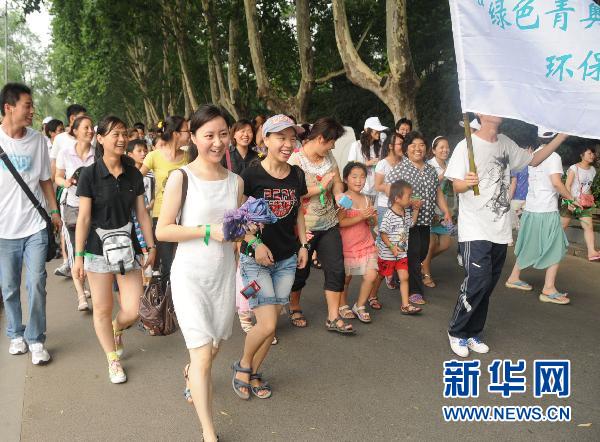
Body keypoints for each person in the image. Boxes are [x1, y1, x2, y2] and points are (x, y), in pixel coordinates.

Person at [445, 113, 568, 357]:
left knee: (487, 285)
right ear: (480, 113)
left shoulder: (506, 143)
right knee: (477, 281)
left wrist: (563, 135)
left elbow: (533, 160)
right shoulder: (465, 145)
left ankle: (473, 332)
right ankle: (457, 331)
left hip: (499, 229)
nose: (498, 111)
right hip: (474, 227)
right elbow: (455, 185)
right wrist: (466, 183)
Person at [156, 105, 242, 442]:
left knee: (214, 346)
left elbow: (232, 229)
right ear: (193, 137)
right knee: (204, 353)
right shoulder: (181, 177)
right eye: (209, 135)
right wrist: (208, 231)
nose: (218, 142)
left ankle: (192, 372)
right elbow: (163, 230)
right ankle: (209, 432)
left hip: (223, 276)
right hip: (190, 276)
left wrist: (248, 233)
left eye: (223, 134)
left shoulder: (235, 182)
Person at [72, 116, 156, 383]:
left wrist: (150, 245)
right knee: (102, 307)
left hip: (128, 249)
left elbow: (142, 213)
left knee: (132, 309)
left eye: (124, 134)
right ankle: (113, 359)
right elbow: (83, 218)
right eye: (114, 134)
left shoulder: (133, 173)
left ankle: (117, 329)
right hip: (97, 251)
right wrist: (78, 257)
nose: (121, 139)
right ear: (100, 139)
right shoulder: (89, 174)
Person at [233, 114, 309, 400]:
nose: (288, 144)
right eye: (281, 137)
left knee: (271, 323)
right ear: (265, 140)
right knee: (267, 324)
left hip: (287, 259)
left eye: (292, 138)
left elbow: (298, 212)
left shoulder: (296, 175)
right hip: (255, 259)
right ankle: (242, 365)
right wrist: (254, 242)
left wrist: (303, 244)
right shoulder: (249, 175)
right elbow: (235, 219)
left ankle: (252, 372)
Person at [0, 83, 61, 365]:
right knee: (9, 287)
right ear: (8, 108)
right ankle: (15, 332)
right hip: (3, 230)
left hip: (35, 224)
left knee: (36, 282)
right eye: (27, 105)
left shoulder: (37, 140)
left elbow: (45, 179)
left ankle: (36, 339)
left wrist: (54, 211)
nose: (32, 111)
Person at [288, 117, 353, 334]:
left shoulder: (328, 157)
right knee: (301, 271)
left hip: (329, 223)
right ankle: (295, 306)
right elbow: (293, 194)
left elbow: (336, 183)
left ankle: (333, 317)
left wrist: (340, 195)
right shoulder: (295, 160)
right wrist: (319, 188)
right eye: (332, 141)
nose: (334, 146)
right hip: (304, 226)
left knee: (336, 268)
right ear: (320, 138)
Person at [505, 131, 577, 305]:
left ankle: (514, 277)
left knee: (528, 243)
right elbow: (556, 183)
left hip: (531, 208)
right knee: (557, 247)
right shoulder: (554, 156)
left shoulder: (534, 154)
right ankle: (548, 288)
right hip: (546, 210)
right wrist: (571, 198)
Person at [386, 131, 451, 305]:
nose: (417, 149)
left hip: (426, 219)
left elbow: (437, 191)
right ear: (406, 149)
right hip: (407, 221)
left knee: (422, 252)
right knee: (414, 255)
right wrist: (406, 204)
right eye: (413, 145)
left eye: (421, 145)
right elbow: (391, 193)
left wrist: (445, 210)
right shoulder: (400, 169)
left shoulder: (430, 169)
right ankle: (415, 291)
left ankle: (396, 272)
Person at [54, 116, 96, 311]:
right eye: (86, 128)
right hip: (71, 206)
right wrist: (67, 182)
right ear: (75, 131)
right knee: (74, 250)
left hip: (94, 208)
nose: (90, 131)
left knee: (92, 249)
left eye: (91, 127)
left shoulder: (98, 154)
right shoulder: (65, 152)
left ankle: (94, 288)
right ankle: (81, 294)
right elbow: (58, 177)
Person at [140, 115, 190, 275]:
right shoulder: (154, 156)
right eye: (186, 130)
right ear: (176, 133)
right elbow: (135, 181)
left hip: (187, 216)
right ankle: (168, 298)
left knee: (186, 263)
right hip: (162, 217)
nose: (189, 134)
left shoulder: (189, 156)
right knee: (168, 265)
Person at [338, 162, 378, 323]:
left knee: (371, 275)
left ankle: (360, 306)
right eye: (354, 177)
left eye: (362, 177)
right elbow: (340, 222)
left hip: (366, 243)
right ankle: (342, 305)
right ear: (346, 179)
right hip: (347, 245)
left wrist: (372, 218)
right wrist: (362, 216)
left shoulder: (367, 199)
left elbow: (373, 223)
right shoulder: (344, 199)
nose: (358, 180)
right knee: (345, 279)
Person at [50, 104, 87, 279]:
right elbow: (54, 168)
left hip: (90, 200)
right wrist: (60, 184)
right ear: (72, 120)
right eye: (82, 119)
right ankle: (68, 261)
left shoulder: (92, 144)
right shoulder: (61, 141)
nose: (89, 130)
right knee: (69, 232)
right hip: (68, 196)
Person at [378, 180, 423, 314]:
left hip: (402, 253)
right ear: (397, 199)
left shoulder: (406, 212)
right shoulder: (389, 214)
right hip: (388, 253)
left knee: (404, 277)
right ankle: (372, 295)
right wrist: (391, 247)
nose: (411, 199)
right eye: (409, 196)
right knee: (381, 275)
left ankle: (405, 305)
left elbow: (411, 224)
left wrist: (416, 209)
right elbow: (383, 233)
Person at [371, 133, 405, 298]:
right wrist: (391, 190)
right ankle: (382, 270)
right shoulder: (382, 164)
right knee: (385, 240)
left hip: (401, 207)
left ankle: (393, 270)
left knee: (398, 238)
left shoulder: (404, 162)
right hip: (385, 206)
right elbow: (377, 186)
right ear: (391, 146)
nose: (402, 147)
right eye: (399, 144)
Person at [421, 136, 453, 288]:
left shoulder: (449, 164)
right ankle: (426, 274)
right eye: (441, 147)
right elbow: (429, 186)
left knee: (446, 243)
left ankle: (421, 263)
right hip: (429, 210)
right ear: (433, 150)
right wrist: (445, 173)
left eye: (447, 147)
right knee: (431, 242)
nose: (445, 150)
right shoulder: (429, 166)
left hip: (444, 209)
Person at [560, 144, 599, 261]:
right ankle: (549, 246)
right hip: (571, 202)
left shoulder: (592, 170)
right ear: (582, 155)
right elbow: (567, 185)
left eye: (593, 153)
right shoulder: (574, 168)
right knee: (562, 226)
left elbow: (588, 187)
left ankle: (592, 252)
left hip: (584, 204)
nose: (592, 155)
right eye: (589, 153)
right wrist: (570, 201)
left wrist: (590, 198)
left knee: (589, 227)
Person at [347, 117, 386, 203]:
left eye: (379, 130)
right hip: (361, 190)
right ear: (367, 130)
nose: (379, 132)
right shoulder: (356, 145)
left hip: (377, 191)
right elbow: (350, 166)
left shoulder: (380, 146)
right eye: (376, 130)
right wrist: (367, 163)